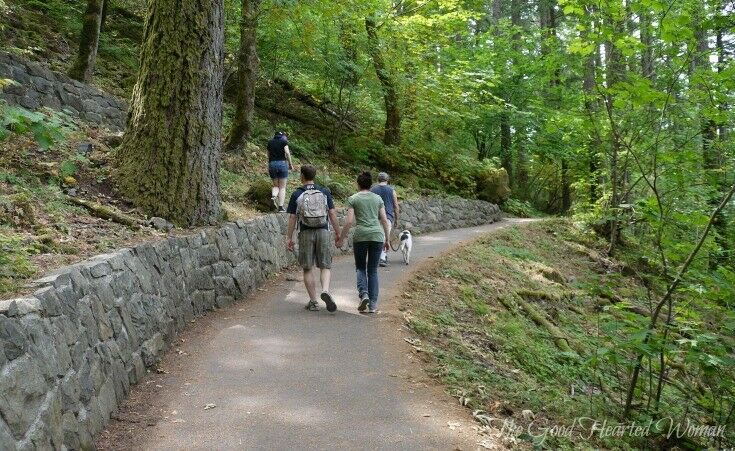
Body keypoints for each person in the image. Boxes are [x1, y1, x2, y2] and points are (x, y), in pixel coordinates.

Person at [286, 165, 341, 312]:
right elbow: (332, 213)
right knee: (325, 266)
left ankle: (314, 301)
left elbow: (292, 217)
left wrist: (288, 237)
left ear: (302, 176)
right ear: (314, 176)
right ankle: (325, 290)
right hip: (323, 230)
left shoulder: (297, 193)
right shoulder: (324, 191)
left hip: (305, 232)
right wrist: (338, 232)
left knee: (307, 267)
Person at [337, 171, 391, 314]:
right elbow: (384, 220)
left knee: (360, 268)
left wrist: (341, 239)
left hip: (360, 236)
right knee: (372, 270)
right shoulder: (378, 198)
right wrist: (387, 239)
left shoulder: (353, 198)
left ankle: (364, 294)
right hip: (377, 235)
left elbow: (349, 222)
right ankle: (373, 305)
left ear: (358, 184)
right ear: (370, 184)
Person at [371, 172, 400, 267]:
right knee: (383, 236)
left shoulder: (372, 190)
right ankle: (382, 258)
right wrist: (397, 219)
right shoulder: (392, 190)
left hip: (374, 217)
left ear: (378, 179)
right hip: (387, 217)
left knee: (377, 237)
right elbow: (395, 206)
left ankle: (378, 257)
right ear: (387, 180)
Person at [267, 131, 295, 212]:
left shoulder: (270, 142)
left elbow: (268, 154)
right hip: (282, 164)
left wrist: (270, 163)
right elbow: (287, 152)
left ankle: (274, 196)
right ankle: (280, 207)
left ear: (274, 136)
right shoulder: (284, 142)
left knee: (276, 185)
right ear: (282, 136)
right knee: (282, 187)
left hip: (272, 164)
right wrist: (290, 164)